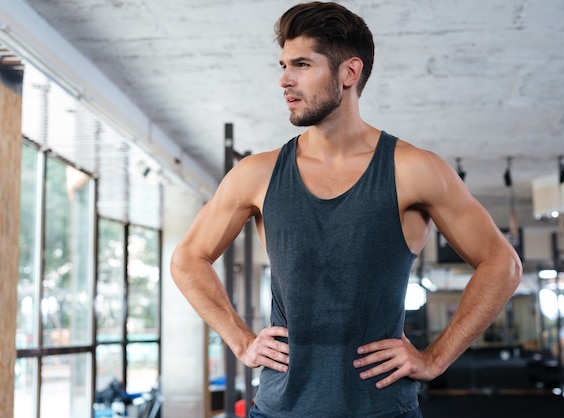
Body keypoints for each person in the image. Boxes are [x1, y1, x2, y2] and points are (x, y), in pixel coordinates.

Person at [170, 2, 522, 417]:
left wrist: (435, 358)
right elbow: (187, 259)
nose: (285, 79)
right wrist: (242, 340)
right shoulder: (256, 174)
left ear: (349, 73)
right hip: (278, 408)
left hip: (382, 410)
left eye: (302, 64)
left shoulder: (413, 169)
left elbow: (502, 264)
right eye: (283, 64)